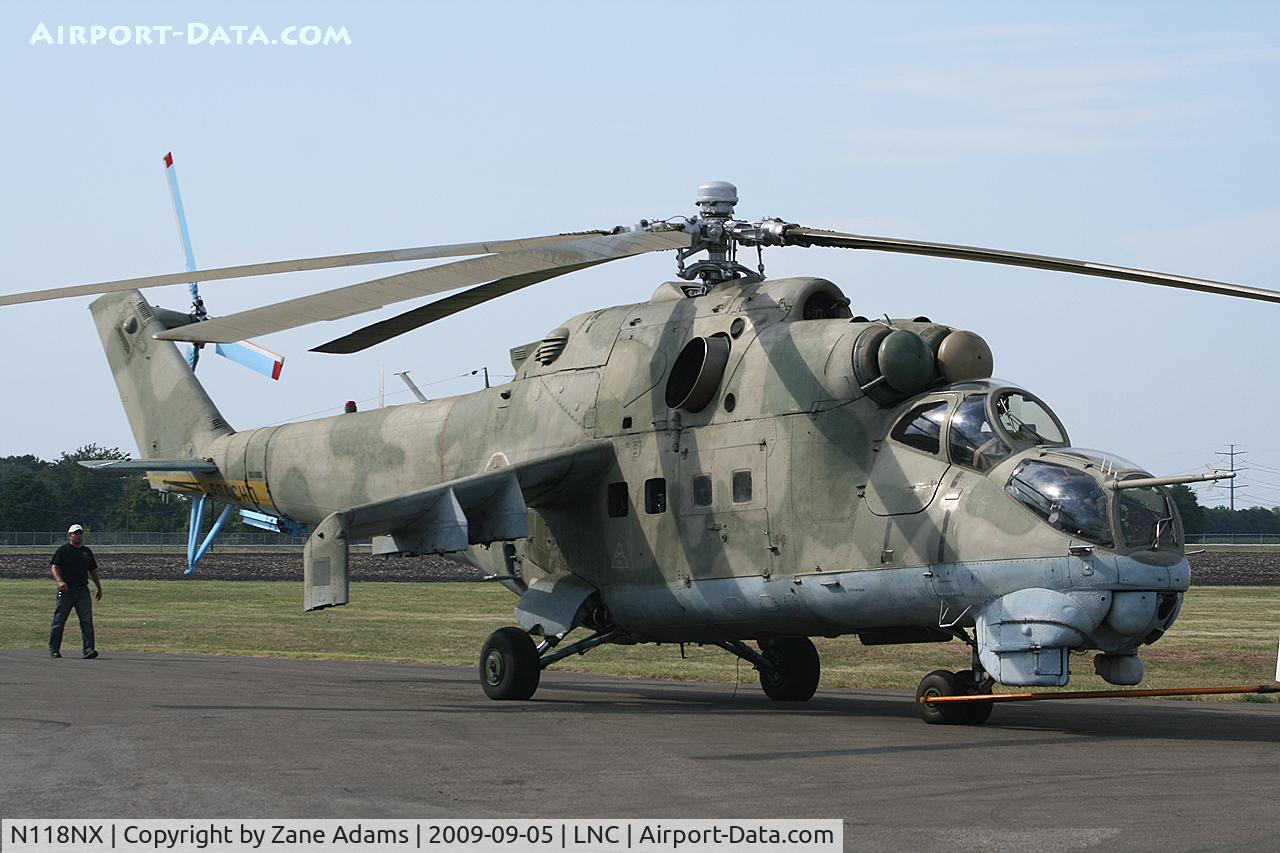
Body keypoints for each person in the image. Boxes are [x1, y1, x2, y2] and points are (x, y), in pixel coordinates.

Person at [49, 523, 102, 659]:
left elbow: (92, 570)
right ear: (69, 535)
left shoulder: (86, 552)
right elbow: (54, 567)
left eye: (80, 533)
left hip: (82, 591)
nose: (78, 536)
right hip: (66, 590)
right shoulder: (63, 550)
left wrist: (98, 587)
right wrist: (60, 581)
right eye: (75, 534)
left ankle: (88, 649)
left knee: (86, 620)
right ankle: (54, 648)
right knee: (59, 620)